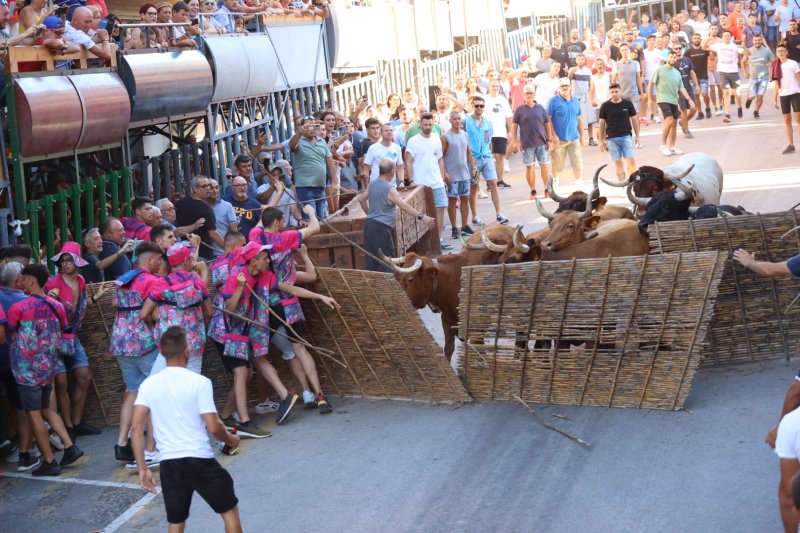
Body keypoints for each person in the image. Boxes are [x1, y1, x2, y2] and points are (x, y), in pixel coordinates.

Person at [131, 326, 243, 533]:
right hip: (199, 459)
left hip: (169, 464)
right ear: (186, 351)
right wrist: (230, 440)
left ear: (162, 353)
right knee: (229, 511)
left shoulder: (149, 385)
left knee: (176, 521)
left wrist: (142, 468)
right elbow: (213, 425)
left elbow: (136, 427)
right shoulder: (199, 382)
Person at [2, 264, 85, 477]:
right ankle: (69, 445)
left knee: (34, 413)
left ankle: (48, 460)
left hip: (26, 369)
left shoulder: (18, 308)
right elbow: (64, 326)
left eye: (23, 278)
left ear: (30, 281)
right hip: (49, 366)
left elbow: (9, 331)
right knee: (47, 409)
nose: (20, 281)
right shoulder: (56, 305)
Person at [45, 242, 107, 442]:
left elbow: (79, 307)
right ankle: (68, 426)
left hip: (73, 336)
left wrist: (95, 298)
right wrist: (49, 298)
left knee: (84, 377)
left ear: (77, 262)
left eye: (68, 260)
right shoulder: (52, 283)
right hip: (55, 338)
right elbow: (44, 309)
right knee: (61, 382)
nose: (64, 264)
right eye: (62, 261)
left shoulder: (80, 280)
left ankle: (77, 422)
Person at [109, 241, 163, 464]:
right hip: (142, 341)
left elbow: (114, 302)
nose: (161, 263)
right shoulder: (152, 281)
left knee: (132, 391)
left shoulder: (125, 278)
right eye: (159, 259)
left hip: (120, 339)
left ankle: (122, 443)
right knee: (155, 393)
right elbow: (153, 315)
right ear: (149, 260)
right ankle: (152, 447)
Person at [354, 159, 435, 271]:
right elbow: (404, 206)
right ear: (392, 171)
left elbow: (361, 199)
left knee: (372, 264)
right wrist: (423, 217)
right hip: (381, 230)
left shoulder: (372, 185)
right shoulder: (390, 189)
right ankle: (389, 287)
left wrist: (370, 214)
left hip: (369, 227)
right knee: (387, 264)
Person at [404, 113, 451, 250]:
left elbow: (440, 159)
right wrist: (411, 181)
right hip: (420, 183)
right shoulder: (413, 140)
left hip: (437, 182)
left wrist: (442, 179)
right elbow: (408, 160)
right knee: (422, 213)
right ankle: (425, 242)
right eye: (425, 125)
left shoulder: (436, 138)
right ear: (420, 124)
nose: (428, 127)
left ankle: (439, 238)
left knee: (441, 208)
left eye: (430, 125)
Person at [464, 97, 510, 227]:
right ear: (472, 106)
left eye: (481, 106)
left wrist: (490, 155)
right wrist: (468, 158)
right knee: (474, 187)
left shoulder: (488, 122)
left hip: (486, 157)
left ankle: (499, 213)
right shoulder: (466, 122)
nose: (479, 108)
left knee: (494, 184)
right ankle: (474, 216)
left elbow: (489, 140)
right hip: (473, 159)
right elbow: (463, 140)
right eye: (476, 106)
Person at [648, 49, 696, 156]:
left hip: (674, 100)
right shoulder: (659, 70)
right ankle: (662, 145)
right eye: (671, 56)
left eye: (674, 57)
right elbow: (651, 84)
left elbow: (682, 88)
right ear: (667, 58)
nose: (673, 59)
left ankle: (672, 147)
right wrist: (649, 98)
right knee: (669, 120)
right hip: (663, 99)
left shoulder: (677, 73)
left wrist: (689, 100)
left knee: (674, 124)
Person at [290, 115, 337, 221]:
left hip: (320, 186)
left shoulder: (322, 141)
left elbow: (330, 163)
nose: (311, 129)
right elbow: (292, 145)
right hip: (305, 187)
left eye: (314, 126)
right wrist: (299, 133)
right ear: (302, 128)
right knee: (311, 220)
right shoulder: (298, 140)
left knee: (322, 219)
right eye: (308, 126)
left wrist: (334, 182)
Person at [510, 84, 552, 200]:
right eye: (527, 93)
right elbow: (514, 127)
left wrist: (549, 139)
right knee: (530, 167)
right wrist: (514, 141)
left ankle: (547, 189)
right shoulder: (519, 110)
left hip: (542, 143)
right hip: (527, 144)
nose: (529, 95)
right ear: (523, 95)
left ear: (534, 94)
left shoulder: (540, 108)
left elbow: (547, 124)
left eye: (531, 93)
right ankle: (533, 191)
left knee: (544, 166)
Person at [441, 112, 475, 239]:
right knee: (452, 200)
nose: (457, 121)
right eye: (454, 119)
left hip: (464, 173)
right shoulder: (445, 137)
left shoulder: (465, 135)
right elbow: (441, 156)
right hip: (452, 174)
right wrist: (444, 172)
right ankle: (454, 227)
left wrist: (473, 166)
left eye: (459, 119)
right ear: (450, 120)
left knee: (465, 198)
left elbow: (468, 151)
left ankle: (465, 225)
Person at [598, 83, 641, 182]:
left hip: (626, 136)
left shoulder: (628, 103)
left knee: (632, 161)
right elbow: (601, 123)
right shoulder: (605, 106)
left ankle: (634, 183)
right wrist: (600, 140)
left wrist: (638, 136)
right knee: (619, 163)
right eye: (612, 92)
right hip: (612, 138)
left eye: (616, 91)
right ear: (610, 93)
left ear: (620, 91)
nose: (614, 94)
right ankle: (622, 183)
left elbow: (634, 119)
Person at [175, 175, 224, 260]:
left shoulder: (181, 202)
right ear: (194, 188)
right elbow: (213, 234)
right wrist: (228, 248)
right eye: (204, 186)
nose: (208, 188)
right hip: (202, 254)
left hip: (183, 253)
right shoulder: (205, 209)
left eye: (209, 185)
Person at [547, 77, 585, 183]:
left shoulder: (576, 100)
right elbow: (547, 120)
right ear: (559, 87)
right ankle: (555, 182)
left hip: (574, 138)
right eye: (562, 86)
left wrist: (582, 136)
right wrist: (553, 135)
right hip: (559, 140)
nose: (565, 87)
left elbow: (579, 118)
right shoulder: (553, 101)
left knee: (577, 163)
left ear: (570, 86)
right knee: (557, 165)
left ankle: (579, 185)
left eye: (567, 85)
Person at [706, 29, 745, 123]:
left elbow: (745, 52)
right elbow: (704, 47)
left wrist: (743, 46)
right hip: (723, 72)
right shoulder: (718, 46)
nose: (726, 37)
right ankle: (727, 114)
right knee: (726, 93)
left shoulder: (734, 46)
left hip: (734, 72)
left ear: (731, 37)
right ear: (722, 38)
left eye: (728, 35)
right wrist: (709, 38)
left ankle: (739, 107)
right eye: (725, 36)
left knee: (737, 93)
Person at [773, 44, 800, 154]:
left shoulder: (792, 63)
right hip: (783, 95)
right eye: (778, 51)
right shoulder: (775, 65)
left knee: (798, 120)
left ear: (787, 52)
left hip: (795, 93)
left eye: (783, 51)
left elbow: (799, 77)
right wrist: (774, 98)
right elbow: (776, 83)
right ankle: (790, 145)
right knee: (787, 120)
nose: (781, 53)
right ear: (776, 53)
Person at [742, 34, 775, 118]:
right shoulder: (748, 51)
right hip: (752, 77)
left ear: (761, 41)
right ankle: (749, 99)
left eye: (759, 40)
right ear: (752, 41)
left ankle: (756, 111)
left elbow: (774, 61)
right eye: (755, 40)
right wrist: (745, 72)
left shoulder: (766, 50)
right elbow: (742, 62)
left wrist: (769, 64)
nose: (757, 42)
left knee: (760, 95)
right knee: (753, 95)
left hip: (764, 77)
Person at [673, 45, 700, 138]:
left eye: (680, 48)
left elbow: (692, 72)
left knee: (694, 108)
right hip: (679, 89)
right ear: (673, 50)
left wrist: (696, 85)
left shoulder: (687, 60)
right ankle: (686, 130)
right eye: (676, 48)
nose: (678, 50)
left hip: (688, 87)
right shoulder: (673, 62)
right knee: (683, 110)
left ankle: (683, 122)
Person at [206, 178, 237, 255]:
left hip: (223, 253)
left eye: (216, 187)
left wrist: (233, 250)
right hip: (205, 253)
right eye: (211, 188)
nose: (215, 191)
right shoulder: (200, 206)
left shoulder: (227, 206)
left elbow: (234, 230)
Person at [685, 33, 712, 119]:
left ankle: (707, 108)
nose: (696, 40)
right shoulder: (689, 51)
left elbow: (712, 56)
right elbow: (683, 60)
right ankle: (700, 112)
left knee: (704, 94)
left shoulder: (704, 49)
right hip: (693, 78)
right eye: (695, 38)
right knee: (696, 96)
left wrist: (708, 45)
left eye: (698, 38)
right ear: (692, 40)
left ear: (700, 40)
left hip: (703, 76)